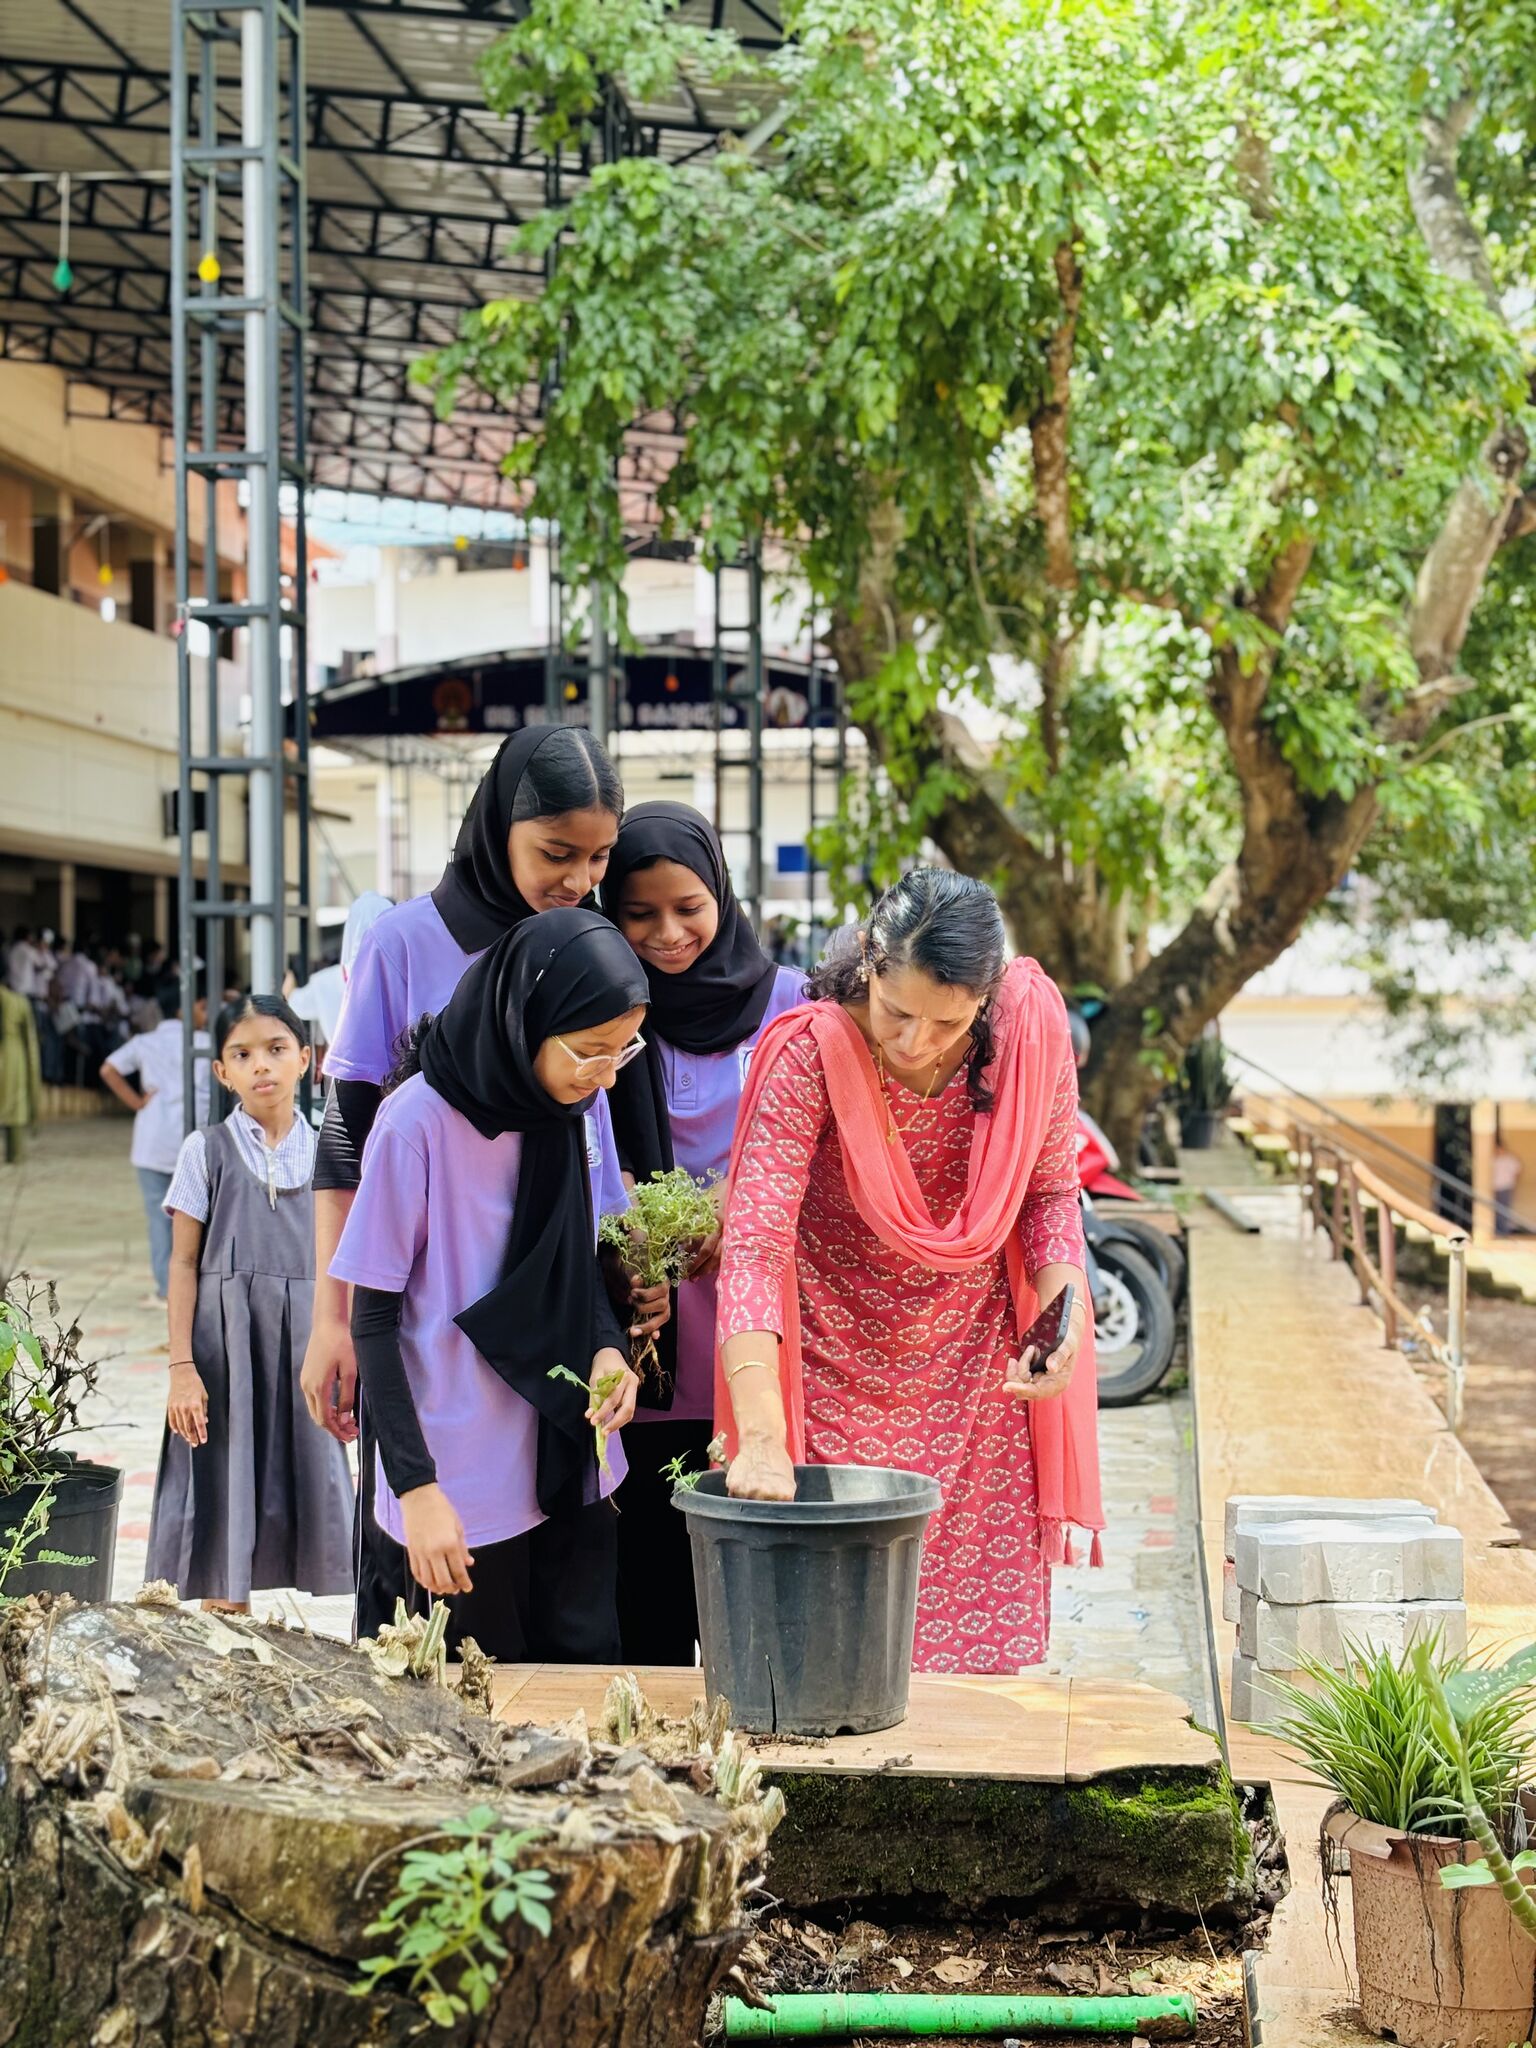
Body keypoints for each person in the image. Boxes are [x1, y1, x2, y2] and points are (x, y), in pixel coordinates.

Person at [715, 867, 1102, 1675]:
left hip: (977, 1383)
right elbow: (754, 1245)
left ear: (987, 997)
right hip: (831, 1368)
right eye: (896, 1011)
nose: (916, 1042)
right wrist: (762, 1437)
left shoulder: (1028, 1040)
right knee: (835, 1658)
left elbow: (1051, 1194)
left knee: (975, 1677)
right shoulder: (808, 1055)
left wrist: (1061, 1317)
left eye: (949, 1022)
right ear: (868, 960)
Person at [305, 726, 631, 1639]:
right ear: (499, 827)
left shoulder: (583, 947)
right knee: (429, 1606)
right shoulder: (406, 943)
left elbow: (591, 1150)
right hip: (427, 1332)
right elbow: (348, 1134)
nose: (577, 880)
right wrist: (331, 1316)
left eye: (598, 859)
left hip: (546, 1332)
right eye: (556, 854)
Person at [330, 910, 645, 1660]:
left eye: (623, 1051)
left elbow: (578, 1264)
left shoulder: (574, 1107)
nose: (606, 1075)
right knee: (474, 1701)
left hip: (568, 1456)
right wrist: (415, 1489)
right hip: (457, 1481)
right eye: (589, 1051)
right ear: (521, 1020)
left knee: (584, 1690)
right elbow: (371, 1321)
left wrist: (608, 1350)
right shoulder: (416, 1124)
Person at [600, 801, 806, 1663]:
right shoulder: (603, 1005)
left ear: (721, 892)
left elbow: (822, 1148)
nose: (668, 933)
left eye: (688, 907)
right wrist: (627, 1248)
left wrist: (735, 1201)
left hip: (757, 1332)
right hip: (645, 1328)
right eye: (638, 913)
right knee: (647, 1580)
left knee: (754, 1594)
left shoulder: (791, 1005)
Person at [146, 996, 352, 1610]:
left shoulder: (331, 1150)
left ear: (306, 1060)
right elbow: (183, 1263)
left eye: (276, 1049)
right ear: (222, 1072)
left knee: (307, 1481)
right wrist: (182, 1368)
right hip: (224, 1355)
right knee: (224, 1496)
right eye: (242, 1054)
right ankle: (226, 1633)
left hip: (305, 1348)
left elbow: (347, 1263)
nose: (261, 1065)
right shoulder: (204, 1150)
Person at [100, 978, 211, 1304]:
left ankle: (166, 1290)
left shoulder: (145, 1041)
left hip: (152, 1141)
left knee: (159, 1220)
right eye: (202, 1006)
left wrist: (136, 1102)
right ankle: (198, 1287)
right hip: (195, 1139)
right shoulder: (207, 1042)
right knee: (198, 1217)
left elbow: (108, 1069)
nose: (206, 1013)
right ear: (184, 1008)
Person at [286, 892, 393, 1056]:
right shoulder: (404, 978)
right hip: (399, 1069)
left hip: (342, 1069)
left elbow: (295, 1005)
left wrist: (289, 983)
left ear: (349, 928)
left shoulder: (324, 982)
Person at [0, 977, 41, 1165]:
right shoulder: (19, 1002)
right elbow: (30, 1041)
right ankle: (14, 1155)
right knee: (15, 1107)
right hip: (13, 1056)